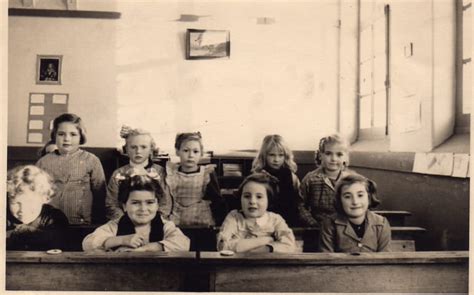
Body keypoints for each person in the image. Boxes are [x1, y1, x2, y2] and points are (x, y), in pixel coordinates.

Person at [82, 174, 190, 252]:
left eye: (150, 202)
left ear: (157, 205)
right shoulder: (114, 226)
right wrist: (122, 240)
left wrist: (145, 249)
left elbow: (183, 243)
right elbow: (88, 244)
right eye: (135, 203)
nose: (143, 209)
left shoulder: (165, 226)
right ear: (124, 206)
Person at [36, 113, 106, 225]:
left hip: (83, 224)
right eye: (61, 134)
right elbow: (36, 195)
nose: (67, 139)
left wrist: (98, 223)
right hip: (50, 224)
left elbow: (100, 195)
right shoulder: (43, 162)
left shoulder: (92, 161)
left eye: (73, 134)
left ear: (81, 137)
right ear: (54, 136)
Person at [217, 173, 296, 253]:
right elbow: (223, 246)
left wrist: (267, 248)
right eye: (247, 196)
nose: (252, 201)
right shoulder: (234, 217)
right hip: (237, 265)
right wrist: (266, 240)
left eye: (259, 197)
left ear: (268, 199)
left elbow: (289, 246)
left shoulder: (275, 219)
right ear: (240, 198)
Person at [106, 125, 170, 220]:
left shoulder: (160, 172)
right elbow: (111, 204)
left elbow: (165, 204)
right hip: (125, 223)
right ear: (126, 149)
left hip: (155, 222)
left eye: (143, 147)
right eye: (133, 147)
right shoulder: (118, 174)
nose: (138, 151)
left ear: (151, 149)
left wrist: (153, 222)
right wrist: (126, 222)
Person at [165, 132, 228, 226]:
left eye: (195, 151)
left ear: (201, 153)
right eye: (186, 151)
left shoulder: (206, 173)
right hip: (176, 221)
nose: (190, 155)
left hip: (201, 221)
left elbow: (217, 201)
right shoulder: (171, 173)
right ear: (177, 151)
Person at [319, 173, 391, 253]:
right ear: (340, 200)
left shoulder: (381, 224)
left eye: (360, 195)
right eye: (347, 197)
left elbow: (385, 260)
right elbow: (327, 259)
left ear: (369, 197)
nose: (355, 202)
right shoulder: (330, 224)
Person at [7, 165, 69, 251]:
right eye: (15, 203)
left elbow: (58, 241)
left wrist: (20, 232)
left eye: (30, 202)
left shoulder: (54, 218)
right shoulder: (4, 216)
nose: (22, 210)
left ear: (44, 198)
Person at [297, 134, 353, 227]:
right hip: (318, 227)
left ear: (345, 157)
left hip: (344, 227)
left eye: (339, 154)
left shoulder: (350, 180)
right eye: (328, 153)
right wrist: (313, 223)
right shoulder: (310, 179)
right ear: (320, 155)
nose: (333, 159)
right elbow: (300, 206)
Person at [251, 135, 300, 226]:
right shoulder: (258, 176)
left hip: (287, 221)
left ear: (285, 156)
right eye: (272, 155)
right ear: (264, 155)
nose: (276, 159)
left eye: (280, 155)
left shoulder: (292, 177)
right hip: (263, 221)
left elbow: (297, 201)